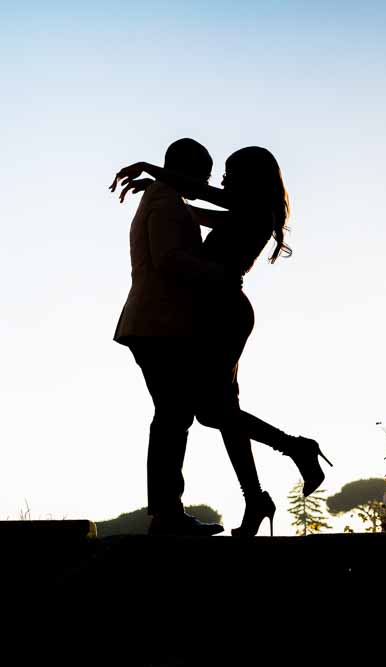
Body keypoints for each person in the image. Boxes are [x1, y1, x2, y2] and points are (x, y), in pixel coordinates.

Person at [112, 146, 332, 537]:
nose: (222, 181)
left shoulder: (254, 208)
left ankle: (294, 450)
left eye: (230, 173)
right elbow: (195, 210)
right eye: (220, 173)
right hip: (214, 312)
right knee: (220, 409)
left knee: (210, 412)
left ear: (250, 179)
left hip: (223, 312)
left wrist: (155, 172)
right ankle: (256, 497)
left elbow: (207, 201)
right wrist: (162, 188)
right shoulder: (245, 210)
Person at [112, 138, 230, 536]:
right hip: (157, 324)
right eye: (204, 177)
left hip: (151, 323)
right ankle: (167, 514)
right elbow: (168, 258)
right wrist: (219, 276)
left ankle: (166, 512)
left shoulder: (164, 197)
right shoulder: (165, 200)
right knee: (172, 416)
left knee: (172, 415)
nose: (206, 183)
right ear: (190, 172)